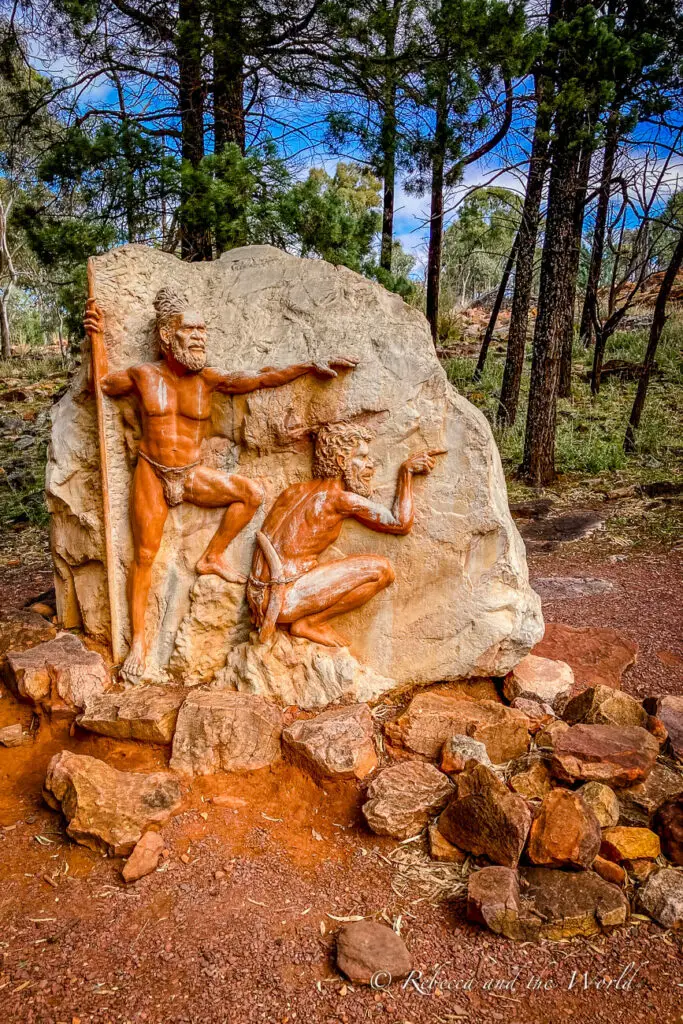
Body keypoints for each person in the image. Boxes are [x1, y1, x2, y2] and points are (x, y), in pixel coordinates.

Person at [84, 286, 356, 680]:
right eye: (190, 330)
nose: (199, 338)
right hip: (152, 472)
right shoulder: (144, 376)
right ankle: (139, 642)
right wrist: (96, 338)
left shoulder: (207, 380)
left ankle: (212, 555)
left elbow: (261, 378)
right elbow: (103, 386)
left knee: (250, 494)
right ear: (166, 336)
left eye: (203, 331)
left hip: (192, 474)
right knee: (144, 556)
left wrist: (308, 366)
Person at [247, 421, 445, 647]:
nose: (370, 465)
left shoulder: (292, 492)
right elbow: (400, 522)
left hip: (259, 596)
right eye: (362, 458)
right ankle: (311, 623)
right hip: (284, 599)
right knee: (383, 571)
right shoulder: (339, 499)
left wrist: (260, 601)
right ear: (342, 462)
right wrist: (406, 473)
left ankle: (300, 617)